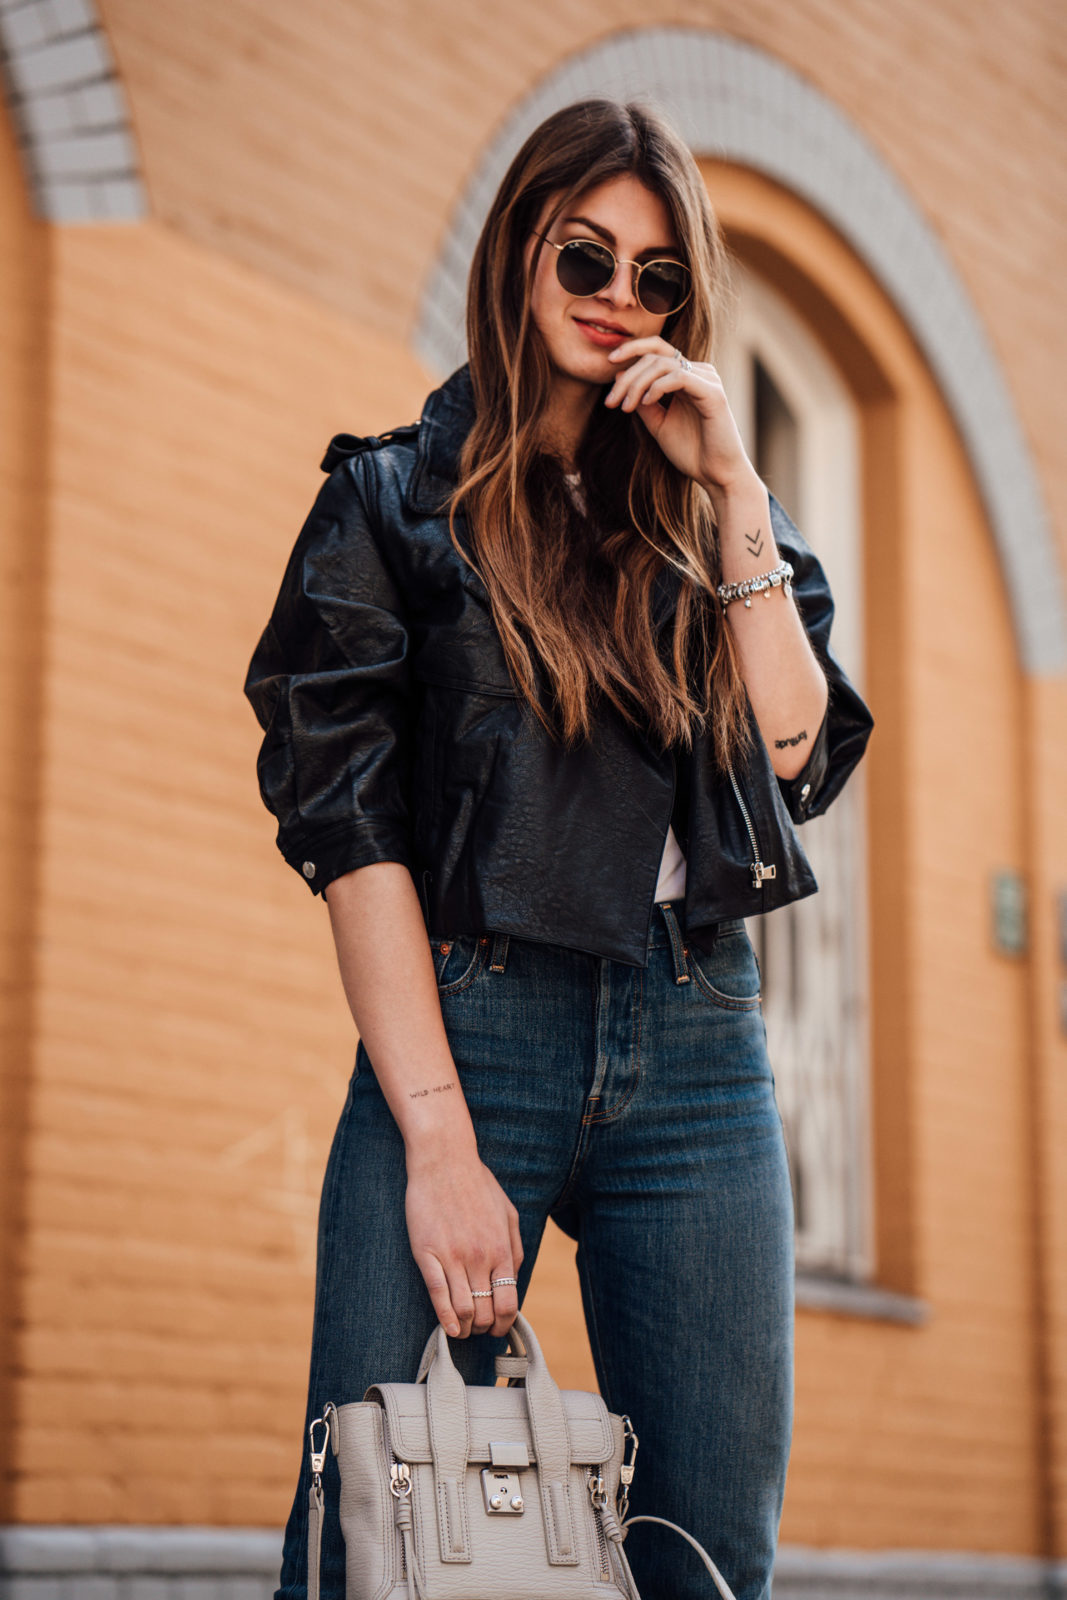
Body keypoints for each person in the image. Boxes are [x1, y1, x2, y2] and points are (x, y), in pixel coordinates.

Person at [243, 96, 874, 1600]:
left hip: (698, 1039)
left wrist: (732, 487)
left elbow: (801, 750)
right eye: (586, 258)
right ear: (522, 254)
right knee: (384, 1527)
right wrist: (440, 1142)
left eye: (659, 278)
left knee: (711, 1555)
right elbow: (352, 839)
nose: (617, 300)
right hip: (475, 1031)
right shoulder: (391, 507)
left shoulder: (714, 524)